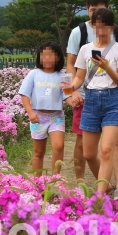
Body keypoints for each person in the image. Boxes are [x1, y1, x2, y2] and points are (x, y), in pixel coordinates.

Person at [66, 0, 118, 200]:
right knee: (88, 153)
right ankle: (105, 187)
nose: (101, 30)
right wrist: (69, 89)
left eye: (105, 26)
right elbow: (78, 77)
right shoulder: (86, 48)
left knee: (107, 149)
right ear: (92, 24)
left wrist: (107, 66)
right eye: (98, 26)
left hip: (112, 98)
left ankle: (100, 197)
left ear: (111, 27)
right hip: (91, 101)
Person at [19, 41, 73, 177]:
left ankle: (55, 177)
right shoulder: (33, 74)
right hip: (38, 117)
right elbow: (24, 94)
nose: (47, 58)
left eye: (51, 55)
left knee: (59, 146)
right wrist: (30, 112)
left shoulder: (63, 76)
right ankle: (38, 182)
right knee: (38, 152)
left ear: (58, 57)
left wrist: (75, 102)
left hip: (56, 117)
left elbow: (67, 96)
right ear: (39, 57)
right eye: (44, 55)